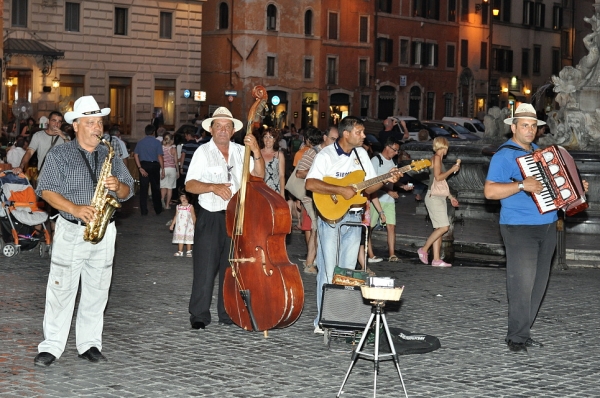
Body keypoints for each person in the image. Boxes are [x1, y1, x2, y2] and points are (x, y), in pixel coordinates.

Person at [33, 95, 134, 367]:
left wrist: (118, 187)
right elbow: (46, 190)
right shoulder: (60, 153)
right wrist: (76, 209)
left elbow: (128, 189)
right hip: (72, 228)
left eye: (99, 122)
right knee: (61, 289)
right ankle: (52, 346)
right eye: (90, 123)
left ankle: (89, 343)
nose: (97, 128)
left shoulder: (108, 152)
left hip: (104, 230)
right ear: (75, 125)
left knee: (97, 289)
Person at [483, 103, 589, 353]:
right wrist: (521, 186)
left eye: (533, 126)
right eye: (525, 126)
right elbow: (489, 191)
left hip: (548, 224)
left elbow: (556, 190)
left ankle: (523, 330)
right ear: (513, 127)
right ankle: (516, 337)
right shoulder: (504, 156)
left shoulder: (539, 154)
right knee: (522, 283)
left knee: (539, 283)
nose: (530, 130)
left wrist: (576, 188)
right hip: (519, 227)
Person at [306, 116, 399, 334]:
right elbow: (310, 183)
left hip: (355, 218)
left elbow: (368, 188)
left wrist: (387, 179)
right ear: (346, 134)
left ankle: (341, 318)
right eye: (359, 132)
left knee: (347, 273)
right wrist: (339, 190)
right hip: (332, 220)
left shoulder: (362, 154)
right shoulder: (326, 155)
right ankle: (322, 320)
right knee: (328, 271)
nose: (364, 136)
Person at [185, 107, 265, 329]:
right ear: (211, 130)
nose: (222, 130)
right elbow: (189, 184)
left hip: (237, 217)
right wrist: (212, 186)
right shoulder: (203, 152)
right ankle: (199, 314)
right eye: (218, 126)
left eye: (226, 126)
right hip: (210, 216)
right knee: (205, 268)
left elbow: (259, 175)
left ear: (233, 131)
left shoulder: (243, 151)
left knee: (231, 268)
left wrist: (256, 149)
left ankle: (228, 311)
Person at [417, 137, 460, 268]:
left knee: (439, 228)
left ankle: (436, 259)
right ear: (444, 146)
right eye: (447, 146)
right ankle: (423, 249)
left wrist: (450, 196)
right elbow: (438, 177)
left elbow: (440, 183)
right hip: (433, 197)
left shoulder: (438, 159)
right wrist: (452, 170)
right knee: (444, 227)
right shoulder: (436, 158)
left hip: (438, 196)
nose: (448, 149)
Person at [369, 138, 413, 262]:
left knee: (391, 226)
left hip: (389, 200)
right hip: (375, 198)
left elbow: (393, 180)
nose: (396, 153)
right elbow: (373, 182)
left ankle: (392, 254)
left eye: (397, 151)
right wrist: (388, 191)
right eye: (395, 150)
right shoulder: (376, 160)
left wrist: (402, 186)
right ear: (387, 147)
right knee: (370, 227)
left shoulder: (393, 163)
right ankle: (370, 254)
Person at [133, 125, 164, 216]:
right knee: (155, 188)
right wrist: (163, 168)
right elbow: (159, 156)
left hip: (144, 165)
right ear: (153, 132)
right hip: (154, 165)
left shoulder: (140, 142)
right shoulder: (157, 142)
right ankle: (157, 209)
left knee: (143, 189)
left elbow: (135, 155)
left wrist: (140, 167)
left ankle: (143, 210)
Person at [261, 128, 286, 198]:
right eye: (265, 137)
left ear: (274, 140)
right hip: (260, 190)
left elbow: (281, 175)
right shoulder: (257, 153)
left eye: (271, 137)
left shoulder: (279, 155)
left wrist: (282, 193)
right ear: (263, 139)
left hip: (275, 190)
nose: (267, 140)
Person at [169, 191, 196, 257]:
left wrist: (195, 224)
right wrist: (172, 224)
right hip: (180, 226)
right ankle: (180, 251)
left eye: (185, 196)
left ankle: (188, 251)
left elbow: (193, 216)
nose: (183, 198)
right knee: (180, 239)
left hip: (188, 226)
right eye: (182, 196)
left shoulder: (190, 207)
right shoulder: (178, 207)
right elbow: (176, 216)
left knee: (188, 239)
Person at [160, 133, 178, 209]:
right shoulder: (173, 149)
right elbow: (176, 161)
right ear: (171, 140)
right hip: (172, 169)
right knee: (170, 188)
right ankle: (167, 205)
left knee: (163, 186)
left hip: (163, 168)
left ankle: (162, 199)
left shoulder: (161, 148)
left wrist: (162, 169)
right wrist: (177, 171)